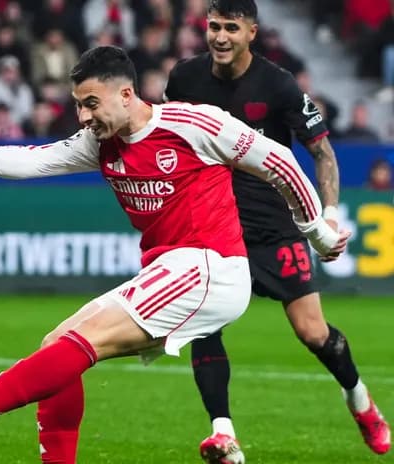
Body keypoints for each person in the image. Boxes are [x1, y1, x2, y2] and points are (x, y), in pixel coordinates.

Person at [0, 45, 348, 464]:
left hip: (210, 266)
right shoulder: (100, 143)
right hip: (170, 268)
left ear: (126, 94)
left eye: (91, 103)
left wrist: (318, 232)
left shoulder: (194, 124)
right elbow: (34, 160)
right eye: (78, 105)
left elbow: (281, 163)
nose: (84, 117)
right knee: (57, 345)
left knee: (82, 344)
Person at [164, 1, 390, 461]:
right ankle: (223, 434)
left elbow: (323, 154)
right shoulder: (184, 80)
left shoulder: (279, 85)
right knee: (205, 324)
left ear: (252, 31)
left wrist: (328, 215)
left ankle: (361, 402)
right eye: (213, 27)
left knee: (312, 333)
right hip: (211, 224)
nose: (220, 37)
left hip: (273, 226)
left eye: (231, 27)